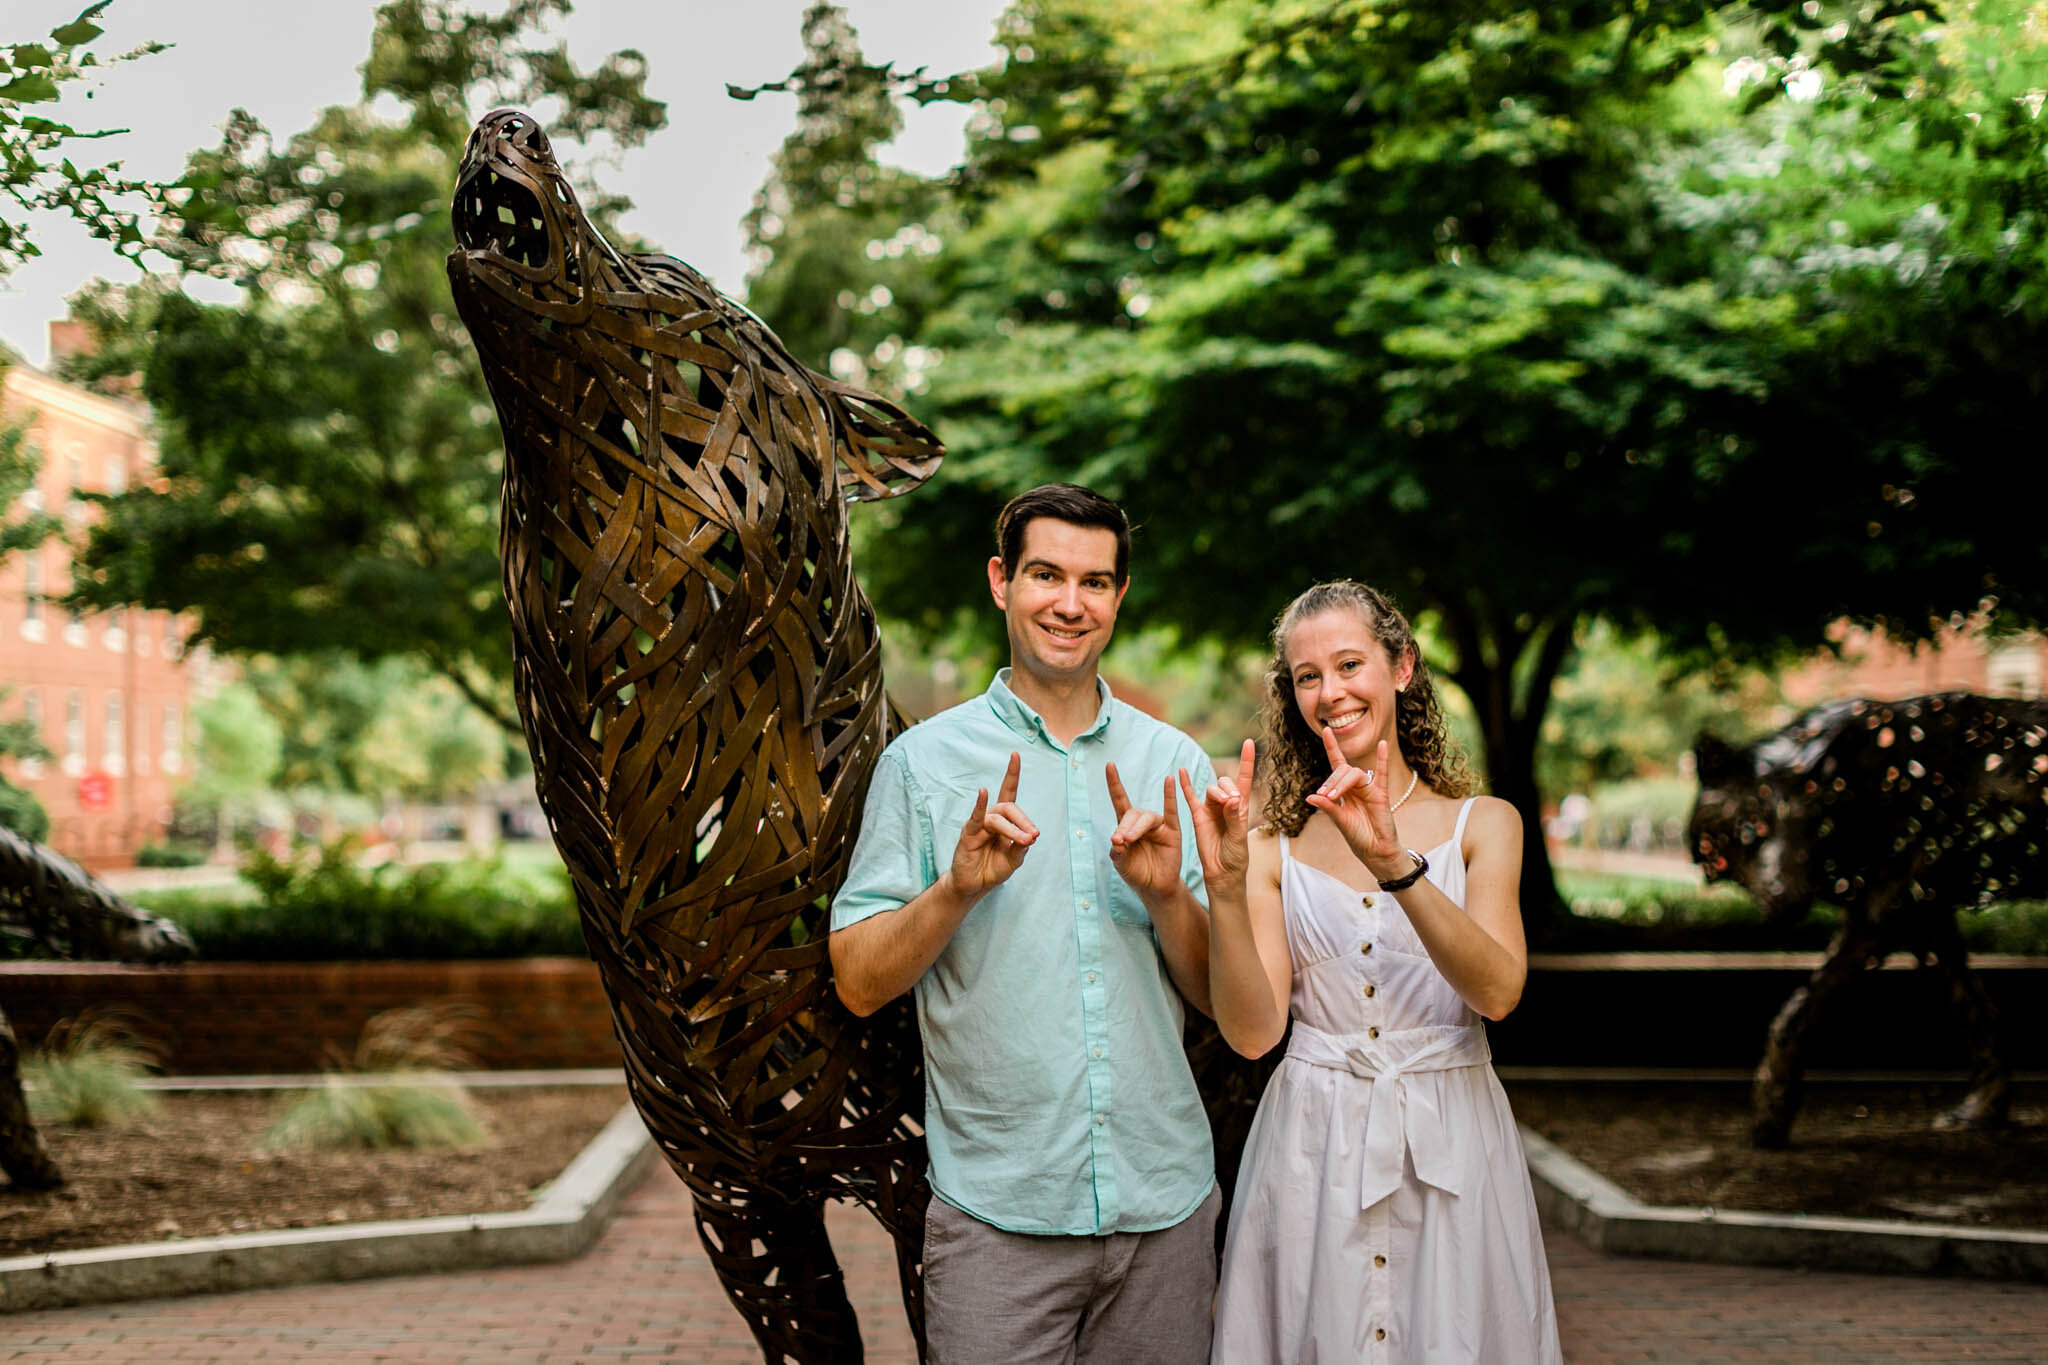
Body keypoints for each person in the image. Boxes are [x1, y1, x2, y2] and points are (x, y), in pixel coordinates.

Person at [829, 483, 1221, 1365]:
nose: (1069, 603)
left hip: (1167, 1209)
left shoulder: (1173, 765)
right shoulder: (923, 765)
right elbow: (855, 981)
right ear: (1003, 581)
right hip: (997, 1218)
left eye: (1094, 581)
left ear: (1119, 597)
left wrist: (1166, 895)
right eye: (1047, 574)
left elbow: (1218, 1001)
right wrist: (955, 890)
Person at [1184, 580, 1562, 1363]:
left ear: (1402, 667)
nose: (1330, 692)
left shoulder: (1484, 824)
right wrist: (1222, 889)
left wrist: (1394, 863)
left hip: (1453, 1138)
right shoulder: (1270, 847)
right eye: (1306, 675)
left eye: (1349, 663)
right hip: (1311, 1147)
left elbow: (1497, 991)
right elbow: (1255, 1036)